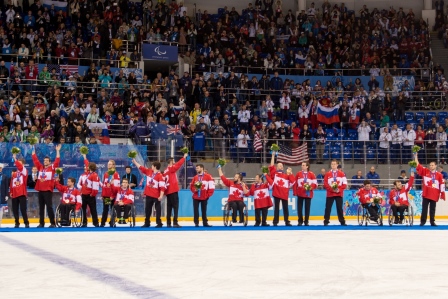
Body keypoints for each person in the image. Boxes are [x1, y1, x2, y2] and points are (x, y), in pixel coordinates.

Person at [32, 144, 62, 228]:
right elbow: (35, 160)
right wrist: (33, 150)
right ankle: (41, 223)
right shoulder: (40, 167)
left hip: (48, 191)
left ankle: (53, 223)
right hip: (40, 190)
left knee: (49, 207)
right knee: (41, 207)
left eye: (46, 161)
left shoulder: (52, 167)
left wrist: (57, 151)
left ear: (49, 162)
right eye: (44, 160)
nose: (45, 161)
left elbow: (57, 160)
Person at [133, 159, 166, 228]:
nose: (151, 166)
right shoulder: (149, 171)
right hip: (148, 194)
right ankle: (147, 222)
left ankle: (159, 223)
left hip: (156, 195)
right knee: (147, 209)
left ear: (154, 166)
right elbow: (141, 168)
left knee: (158, 209)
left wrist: (161, 195)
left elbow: (162, 187)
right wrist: (135, 162)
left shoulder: (160, 176)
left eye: (152, 165)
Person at [415, 153, 445, 226]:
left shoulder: (439, 175)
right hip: (426, 193)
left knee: (432, 209)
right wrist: (416, 156)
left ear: (435, 166)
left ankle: (432, 222)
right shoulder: (425, 171)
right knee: (424, 209)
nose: (431, 166)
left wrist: (442, 193)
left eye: (432, 165)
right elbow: (418, 166)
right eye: (430, 165)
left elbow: (442, 184)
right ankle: (423, 221)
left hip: (434, 194)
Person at [269, 151, 294, 226]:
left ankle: (287, 221)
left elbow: (293, 181)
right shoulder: (275, 173)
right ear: (277, 167)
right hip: (276, 193)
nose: (281, 166)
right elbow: (271, 166)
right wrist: (273, 156)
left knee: (285, 208)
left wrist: (291, 173)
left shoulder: (286, 175)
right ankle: (275, 221)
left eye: (282, 165)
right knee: (276, 208)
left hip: (284, 194)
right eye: (279, 165)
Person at [163, 153, 188, 228]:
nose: (174, 162)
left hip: (168, 191)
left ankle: (168, 222)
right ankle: (175, 222)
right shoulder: (171, 169)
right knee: (175, 207)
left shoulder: (165, 170)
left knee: (169, 207)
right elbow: (178, 164)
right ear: (171, 162)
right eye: (173, 161)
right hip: (173, 190)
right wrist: (184, 157)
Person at [323, 159, 348, 226]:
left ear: (337, 165)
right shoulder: (327, 174)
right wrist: (332, 189)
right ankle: (326, 221)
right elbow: (325, 184)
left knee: (339, 208)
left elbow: (345, 183)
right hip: (330, 194)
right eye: (332, 164)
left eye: (334, 164)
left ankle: (342, 221)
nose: (333, 165)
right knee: (328, 207)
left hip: (339, 194)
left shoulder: (342, 174)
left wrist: (339, 189)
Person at [294, 162, 317, 226]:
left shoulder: (312, 174)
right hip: (300, 193)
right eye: (302, 165)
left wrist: (310, 187)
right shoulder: (298, 174)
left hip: (308, 193)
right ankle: (300, 221)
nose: (302, 166)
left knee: (307, 208)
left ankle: (306, 221)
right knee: (299, 208)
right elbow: (295, 184)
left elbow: (315, 184)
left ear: (307, 166)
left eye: (303, 165)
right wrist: (295, 192)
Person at [100, 160, 120, 227]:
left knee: (112, 209)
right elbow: (104, 185)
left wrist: (113, 195)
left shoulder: (116, 174)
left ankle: (112, 221)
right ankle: (103, 223)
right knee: (105, 209)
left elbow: (117, 187)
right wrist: (102, 194)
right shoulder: (106, 174)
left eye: (110, 164)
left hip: (113, 195)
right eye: (108, 164)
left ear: (114, 165)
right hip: (106, 195)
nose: (109, 165)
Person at [10, 155, 29, 228]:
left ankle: (26, 222)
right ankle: (17, 222)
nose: (18, 165)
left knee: (23, 209)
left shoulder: (24, 171)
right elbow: (12, 183)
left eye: (20, 163)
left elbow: (20, 167)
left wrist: (15, 159)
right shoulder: (14, 173)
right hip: (15, 193)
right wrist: (11, 192)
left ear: (23, 164)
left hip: (22, 193)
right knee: (15, 209)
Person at [80, 162, 100, 227]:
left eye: (88, 166)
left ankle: (95, 222)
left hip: (89, 195)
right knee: (83, 209)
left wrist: (92, 194)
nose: (87, 167)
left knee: (93, 209)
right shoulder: (89, 174)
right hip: (84, 194)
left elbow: (95, 186)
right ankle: (84, 222)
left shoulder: (94, 175)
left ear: (90, 167)